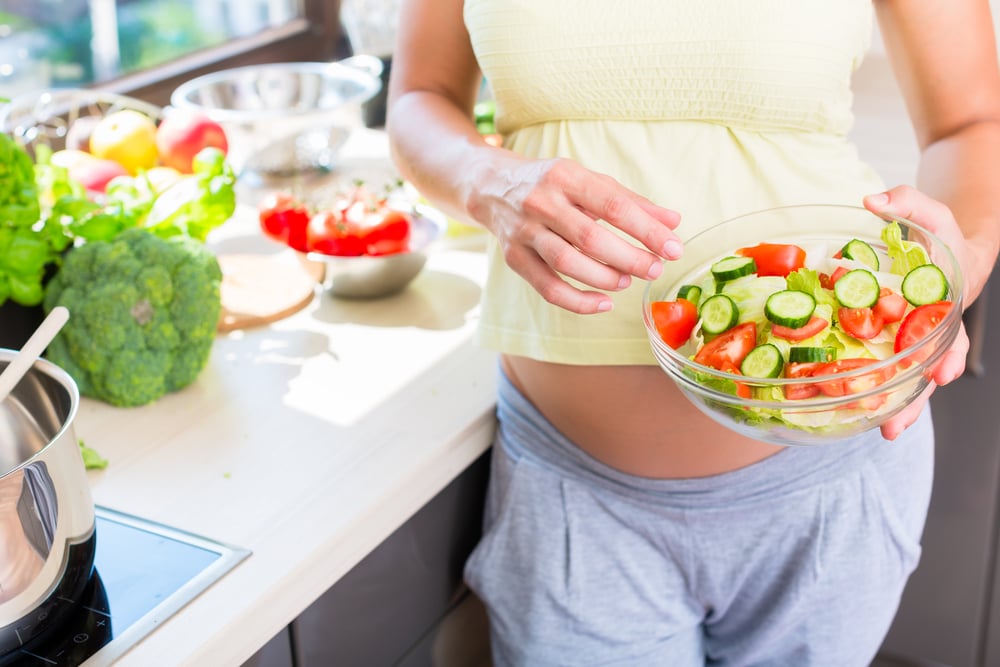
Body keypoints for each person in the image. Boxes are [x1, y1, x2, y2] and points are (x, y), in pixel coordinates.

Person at [385, 1, 1000, 664]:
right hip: (570, 491)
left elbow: (970, 123)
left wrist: (956, 262)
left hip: (829, 487)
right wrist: (487, 176)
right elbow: (421, 97)